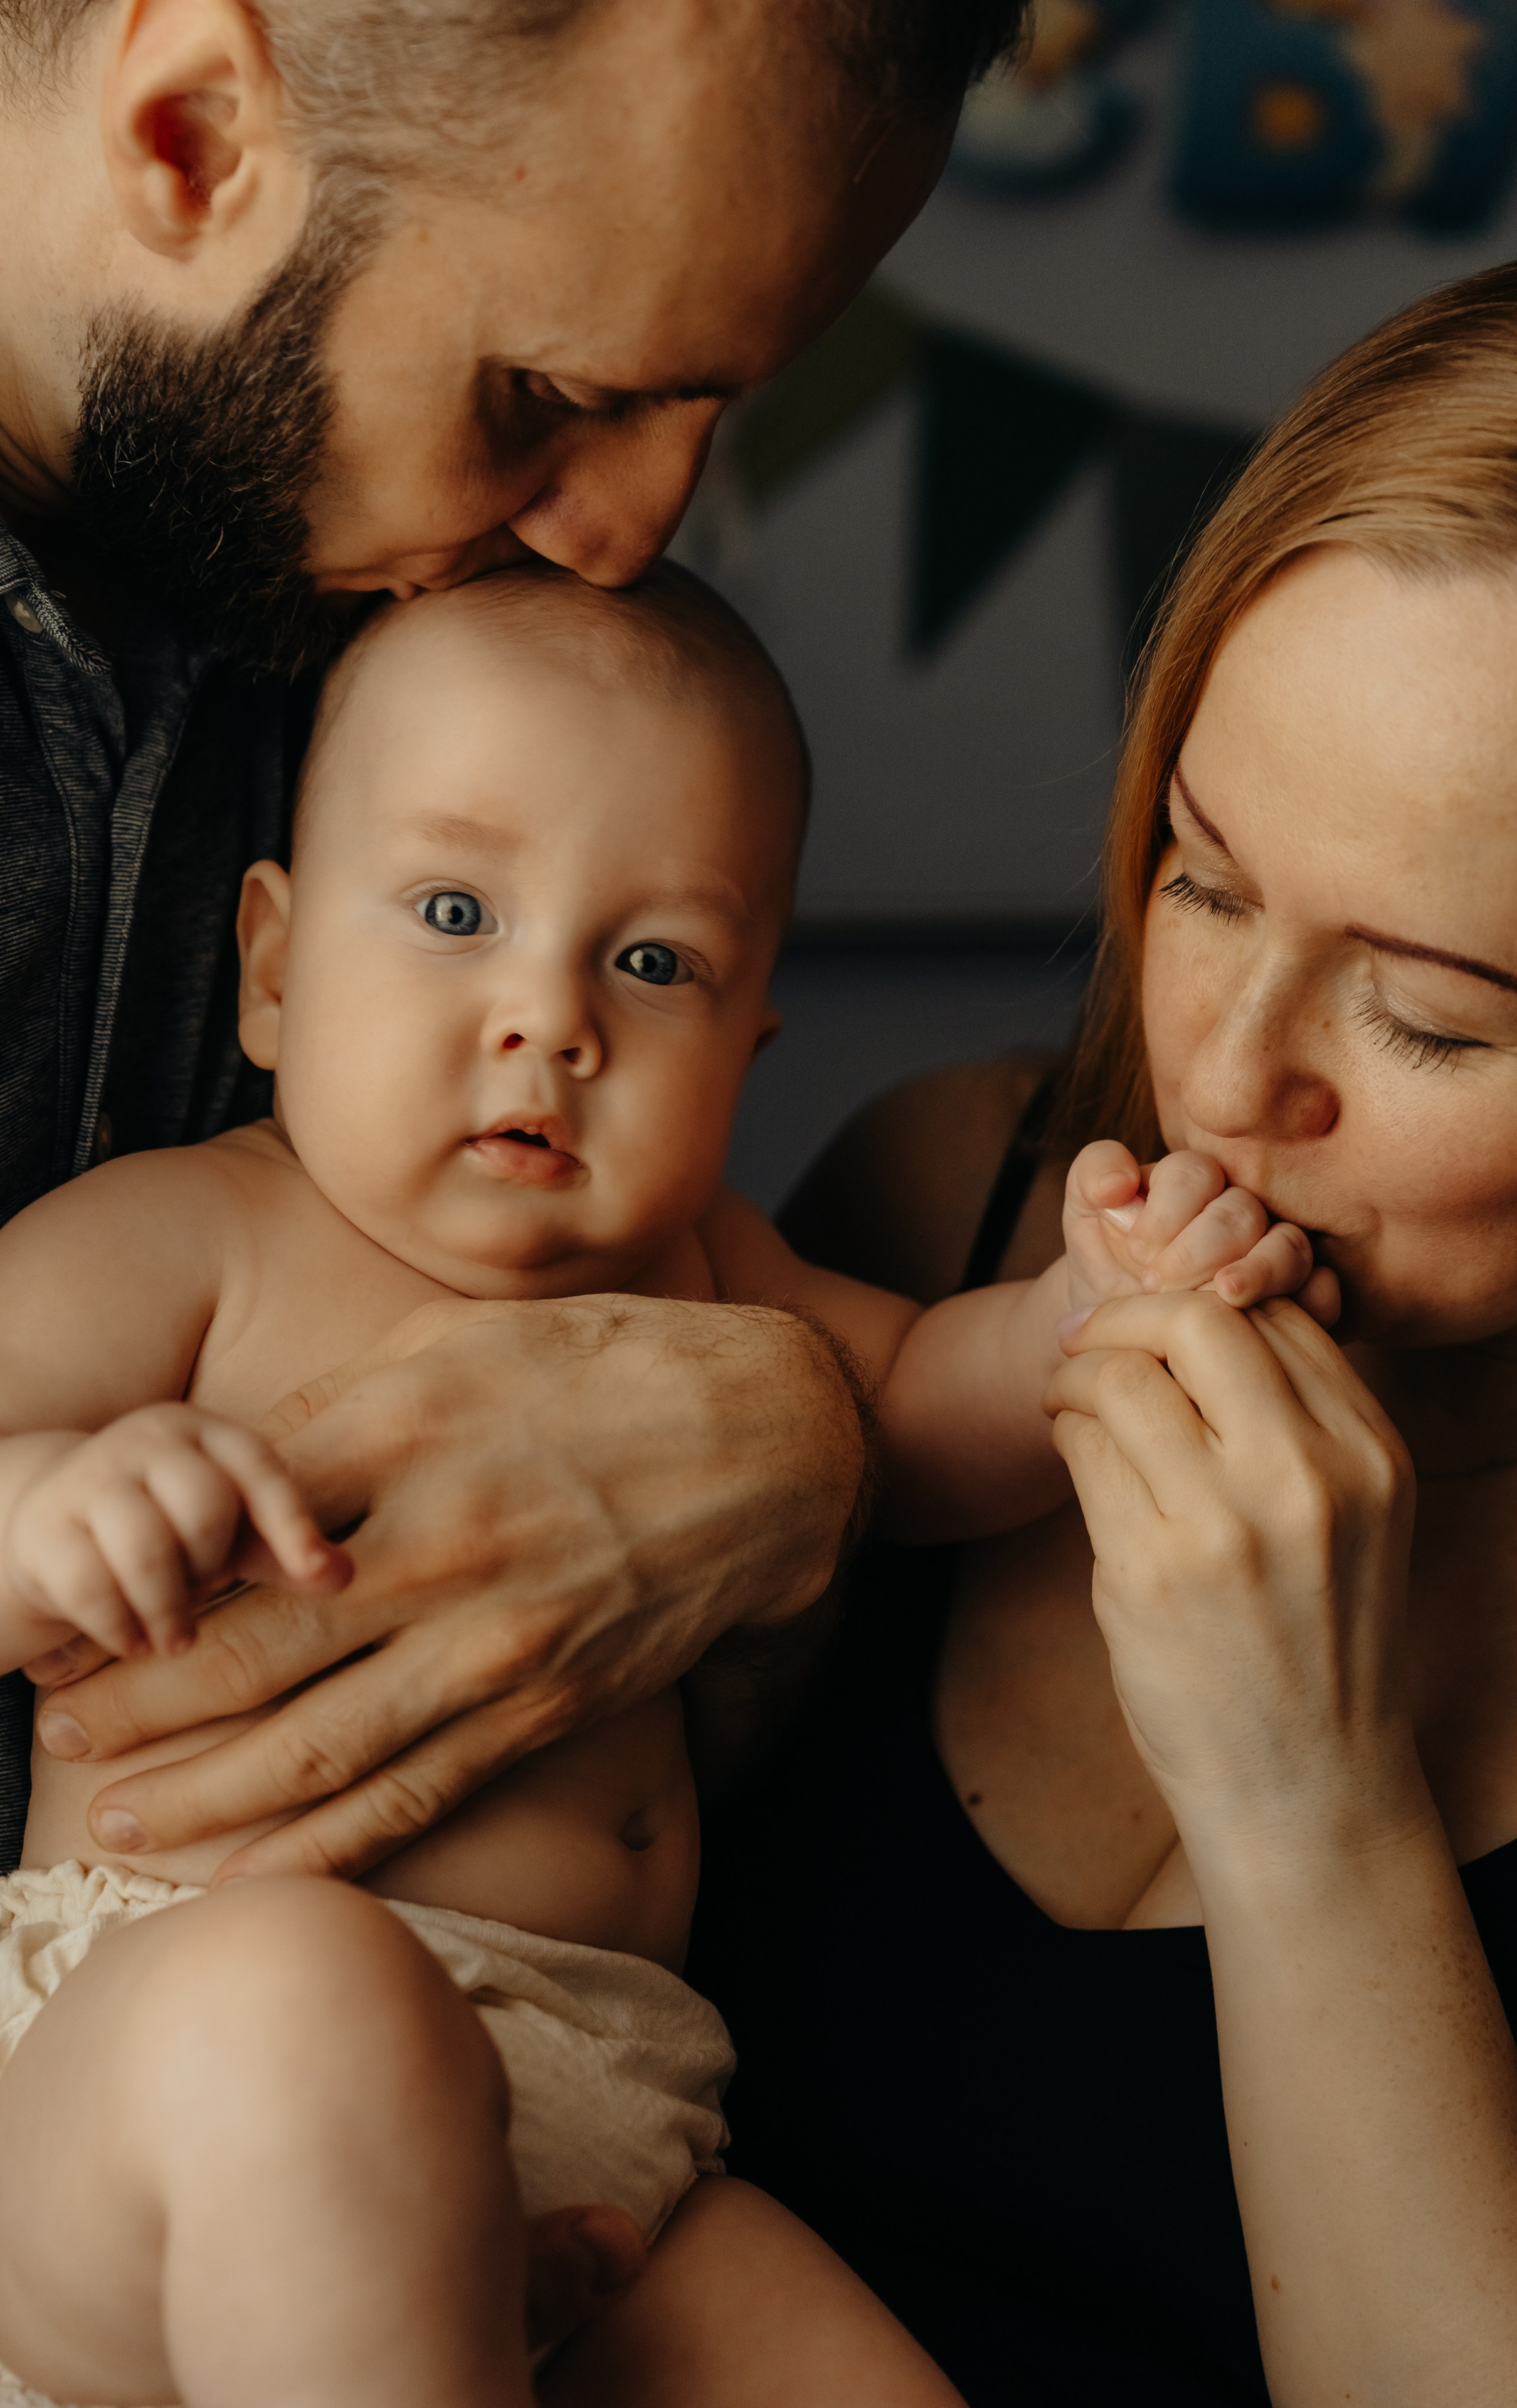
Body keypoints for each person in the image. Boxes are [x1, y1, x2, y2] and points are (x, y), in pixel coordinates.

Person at [0, 560, 1307, 2408]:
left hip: (604, 2122)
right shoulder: (180, 1242)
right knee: (313, 2008)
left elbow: (919, 1417)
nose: (549, 1017)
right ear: (273, 965)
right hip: (162, 2067)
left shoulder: (712, 1271)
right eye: (455, 911)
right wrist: (37, 1520)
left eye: (654, 963)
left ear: (746, 1048)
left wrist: (1085, 1305)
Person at [0, 0, 1029, 1975]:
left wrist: (799, 1426)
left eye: (709, 412)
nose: (623, 543)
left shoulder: (406, 618)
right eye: (552, 392)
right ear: (191, 137)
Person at [694, 260, 1517, 2408]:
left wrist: (1309, 1798)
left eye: (1431, 1017)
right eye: (1206, 882)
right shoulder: (933, 1215)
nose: (1223, 1078)